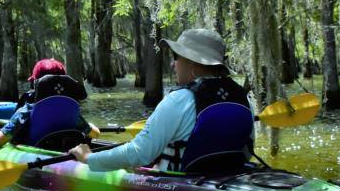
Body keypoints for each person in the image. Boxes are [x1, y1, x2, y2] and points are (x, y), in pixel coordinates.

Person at [70, 28, 255, 173]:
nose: (173, 64)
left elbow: (140, 153)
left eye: (177, 57)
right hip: (229, 176)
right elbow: (247, 153)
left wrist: (88, 158)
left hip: (184, 186)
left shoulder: (179, 99)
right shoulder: (242, 97)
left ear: (194, 63)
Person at [0, 58, 99, 149]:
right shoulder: (71, 110)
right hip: (64, 152)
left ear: (36, 84)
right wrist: (91, 125)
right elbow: (95, 134)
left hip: (37, 156)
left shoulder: (27, 111)